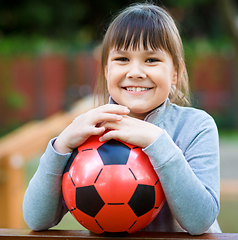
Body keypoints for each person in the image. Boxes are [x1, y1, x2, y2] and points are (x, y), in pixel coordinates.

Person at [23, 2, 221, 235]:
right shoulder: (88, 131)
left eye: (151, 60)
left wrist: (156, 140)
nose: (135, 72)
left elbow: (200, 221)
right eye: (122, 59)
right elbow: (36, 220)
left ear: (175, 73)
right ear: (107, 70)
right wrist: (62, 145)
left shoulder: (196, 127)